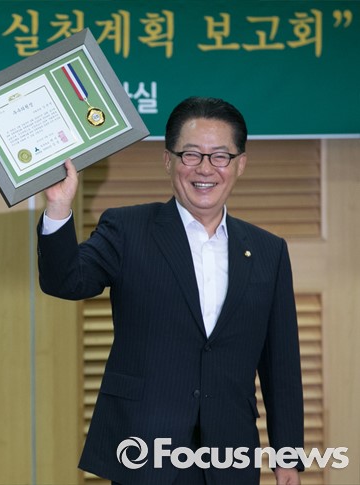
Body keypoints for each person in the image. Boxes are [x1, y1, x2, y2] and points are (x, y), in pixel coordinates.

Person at [37, 97, 304, 485]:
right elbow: (65, 281)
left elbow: (282, 365)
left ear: (240, 164)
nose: (205, 169)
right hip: (145, 449)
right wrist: (59, 207)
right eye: (191, 154)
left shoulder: (268, 250)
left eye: (220, 156)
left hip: (229, 454)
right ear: (168, 160)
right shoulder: (127, 230)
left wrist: (287, 456)